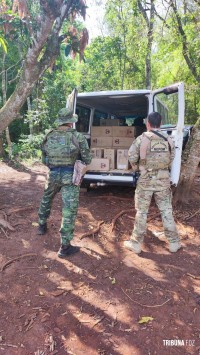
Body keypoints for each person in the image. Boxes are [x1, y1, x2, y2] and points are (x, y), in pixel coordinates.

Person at [37, 108, 92, 258]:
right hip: (70, 176)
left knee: (46, 199)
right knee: (69, 210)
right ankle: (65, 247)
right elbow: (88, 159)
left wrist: (53, 166)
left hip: (53, 174)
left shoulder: (48, 135)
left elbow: (44, 158)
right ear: (70, 122)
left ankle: (41, 225)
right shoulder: (78, 137)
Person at [124, 111, 181, 254]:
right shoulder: (169, 140)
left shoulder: (141, 139)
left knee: (142, 212)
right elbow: (172, 157)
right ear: (160, 123)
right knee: (166, 210)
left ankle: (136, 244)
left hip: (145, 179)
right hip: (163, 179)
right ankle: (174, 242)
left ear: (147, 123)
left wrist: (139, 169)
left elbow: (131, 156)